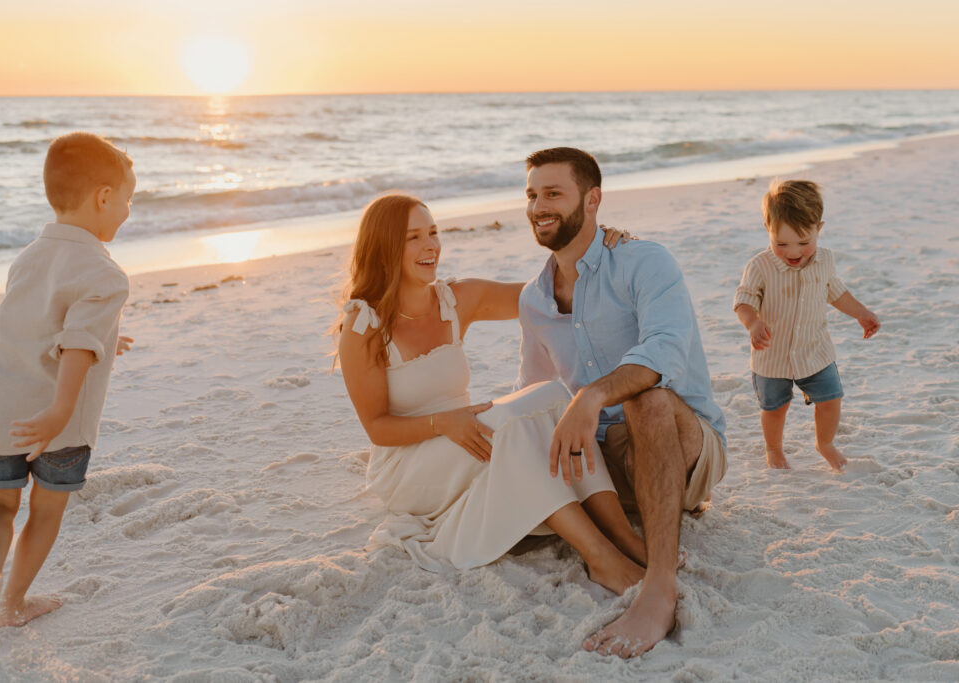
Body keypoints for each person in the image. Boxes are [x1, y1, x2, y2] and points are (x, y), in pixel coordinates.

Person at [336, 193, 650, 596]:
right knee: (512, 427)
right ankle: (600, 558)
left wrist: (603, 248)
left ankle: (624, 538)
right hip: (409, 463)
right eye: (413, 237)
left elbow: (551, 294)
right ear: (384, 247)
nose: (430, 245)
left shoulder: (455, 300)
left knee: (555, 395)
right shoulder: (363, 324)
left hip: (468, 437)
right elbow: (377, 428)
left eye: (433, 232)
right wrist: (443, 422)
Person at [515, 147, 727, 658]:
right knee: (523, 422)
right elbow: (535, 393)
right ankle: (614, 551)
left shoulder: (642, 261)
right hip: (602, 471)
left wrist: (595, 394)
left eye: (553, 193)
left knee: (645, 399)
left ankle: (659, 588)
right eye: (531, 194)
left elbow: (664, 350)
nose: (538, 206)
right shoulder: (533, 300)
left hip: (683, 445)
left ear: (593, 201)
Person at [0, 132, 135, 646]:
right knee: (45, 511)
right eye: (127, 199)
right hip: (60, 422)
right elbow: (74, 344)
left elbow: (45, 327)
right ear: (102, 197)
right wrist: (58, 409)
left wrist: (104, 339)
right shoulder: (104, 272)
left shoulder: (27, 256)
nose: (126, 211)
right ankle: (11, 603)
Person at [734, 179, 879, 471]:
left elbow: (835, 292)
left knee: (831, 399)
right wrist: (753, 323)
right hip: (772, 356)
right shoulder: (759, 266)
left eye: (804, 242)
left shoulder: (825, 260)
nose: (793, 252)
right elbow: (743, 300)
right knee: (774, 408)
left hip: (815, 350)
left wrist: (861, 312)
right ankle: (774, 449)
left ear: (819, 229)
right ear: (768, 230)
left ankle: (824, 443)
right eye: (781, 243)